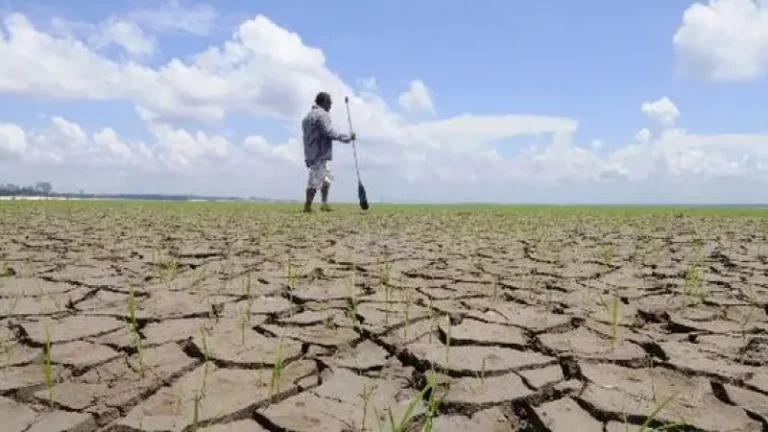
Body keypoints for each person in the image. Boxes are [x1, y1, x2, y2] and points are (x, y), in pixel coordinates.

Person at [301, 92, 356, 212]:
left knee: (327, 178)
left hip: (312, 153)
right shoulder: (322, 115)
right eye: (329, 102)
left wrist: (307, 156)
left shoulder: (307, 117)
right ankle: (307, 206)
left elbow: (305, 139)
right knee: (315, 180)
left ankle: (324, 204)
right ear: (324, 102)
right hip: (319, 153)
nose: (331, 105)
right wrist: (347, 138)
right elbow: (329, 132)